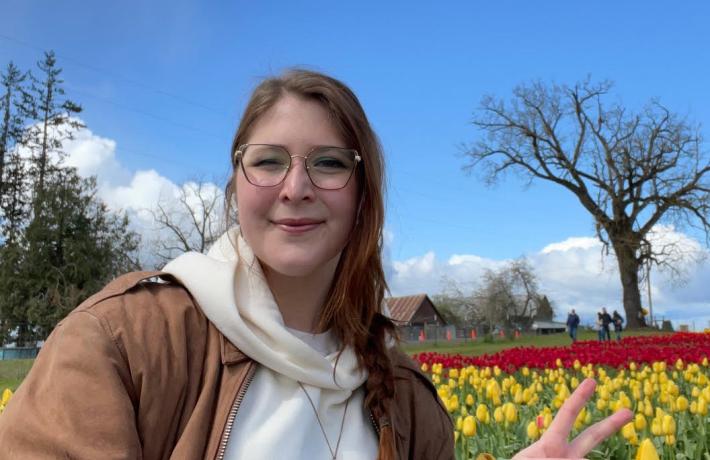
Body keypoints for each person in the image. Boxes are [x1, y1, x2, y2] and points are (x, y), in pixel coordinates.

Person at [0, 70, 631, 459]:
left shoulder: (406, 402)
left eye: (328, 163)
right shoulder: (123, 344)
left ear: (363, 196)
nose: (296, 187)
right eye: (268, 160)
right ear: (236, 184)